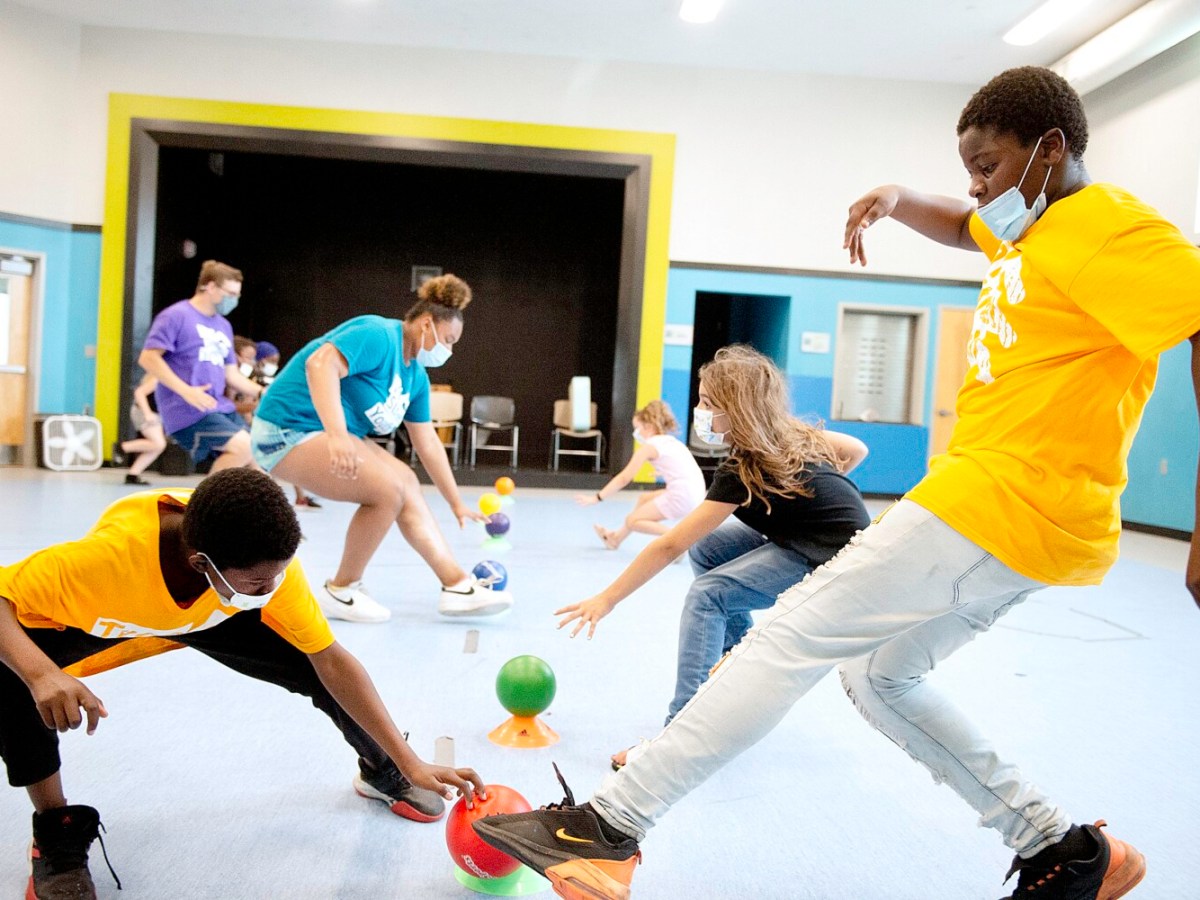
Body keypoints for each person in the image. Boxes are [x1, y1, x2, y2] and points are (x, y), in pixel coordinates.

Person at [471, 66, 1197, 900]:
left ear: (1051, 149)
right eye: (968, 169)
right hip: (1018, 518)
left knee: (790, 632)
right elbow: (965, 226)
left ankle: (609, 827)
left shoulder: (1110, 228)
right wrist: (898, 197)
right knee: (880, 677)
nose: (975, 186)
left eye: (988, 166)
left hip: (1005, 497)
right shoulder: (1029, 229)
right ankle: (1062, 848)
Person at [0, 468, 484, 900]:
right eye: (260, 582)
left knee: (313, 666)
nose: (273, 588)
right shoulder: (103, 563)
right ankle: (55, 829)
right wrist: (42, 674)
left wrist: (410, 760)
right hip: (111, 611)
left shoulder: (262, 571)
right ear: (201, 563)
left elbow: (333, 661)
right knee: (12, 678)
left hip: (219, 605)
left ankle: (383, 769)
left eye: (278, 575)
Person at [559, 347, 868, 769]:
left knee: (709, 596)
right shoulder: (786, 434)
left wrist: (607, 598)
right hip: (809, 536)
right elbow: (856, 449)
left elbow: (669, 545)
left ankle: (680, 736)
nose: (698, 411)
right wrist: (804, 505)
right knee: (709, 547)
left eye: (708, 403)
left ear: (738, 410)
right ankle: (738, 661)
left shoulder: (743, 468)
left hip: (833, 556)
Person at [251, 273, 513, 623]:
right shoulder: (378, 334)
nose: (448, 351)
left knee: (406, 480)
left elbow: (428, 442)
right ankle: (341, 589)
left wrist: (456, 503)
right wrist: (338, 435)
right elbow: (320, 364)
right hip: (285, 429)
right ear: (426, 324)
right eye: (448, 340)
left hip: (325, 432)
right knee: (387, 491)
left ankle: (456, 585)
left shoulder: (415, 377)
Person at [137, 260, 265, 473]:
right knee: (242, 447)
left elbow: (231, 375)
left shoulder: (223, 326)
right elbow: (148, 358)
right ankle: (209, 496)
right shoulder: (176, 316)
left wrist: (262, 392)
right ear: (210, 286)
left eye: (237, 295)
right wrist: (186, 391)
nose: (234, 300)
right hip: (186, 408)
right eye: (230, 294)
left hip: (217, 406)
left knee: (258, 459)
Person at [576, 400, 706, 551]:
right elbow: (683, 467)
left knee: (632, 521)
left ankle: (677, 541)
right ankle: (615, 539)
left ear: (649, 426)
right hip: (697, 494)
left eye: (637, 428)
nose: (636, 434)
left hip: (682, 496)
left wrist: (597, 497)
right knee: (644, 499)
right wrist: (663, 471)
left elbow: (624, 478)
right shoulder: (671, 442)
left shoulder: (649, 447)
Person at [114, 372, 167, 485]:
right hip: (143, 412)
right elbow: (139, 392)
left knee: (158, 447)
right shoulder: (159, 378)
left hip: (155, 413)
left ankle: (133, 474)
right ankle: (123, 447)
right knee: (159, 444)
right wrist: (147, 413)